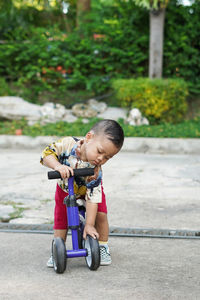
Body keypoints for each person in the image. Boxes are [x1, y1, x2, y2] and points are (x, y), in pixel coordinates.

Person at [40, 119, 124, 266]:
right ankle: (57, 249)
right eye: (100, 152)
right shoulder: (66, 144)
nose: (100, 159)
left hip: (88, 190)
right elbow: (46, 155)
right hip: (66, 189)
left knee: (101, 214)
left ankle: (103, 246)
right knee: (61, 218)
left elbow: (92, 199)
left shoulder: (95, 172)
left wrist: (89, 224)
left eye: (107, 158)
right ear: (89, 137)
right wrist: (58, 166)